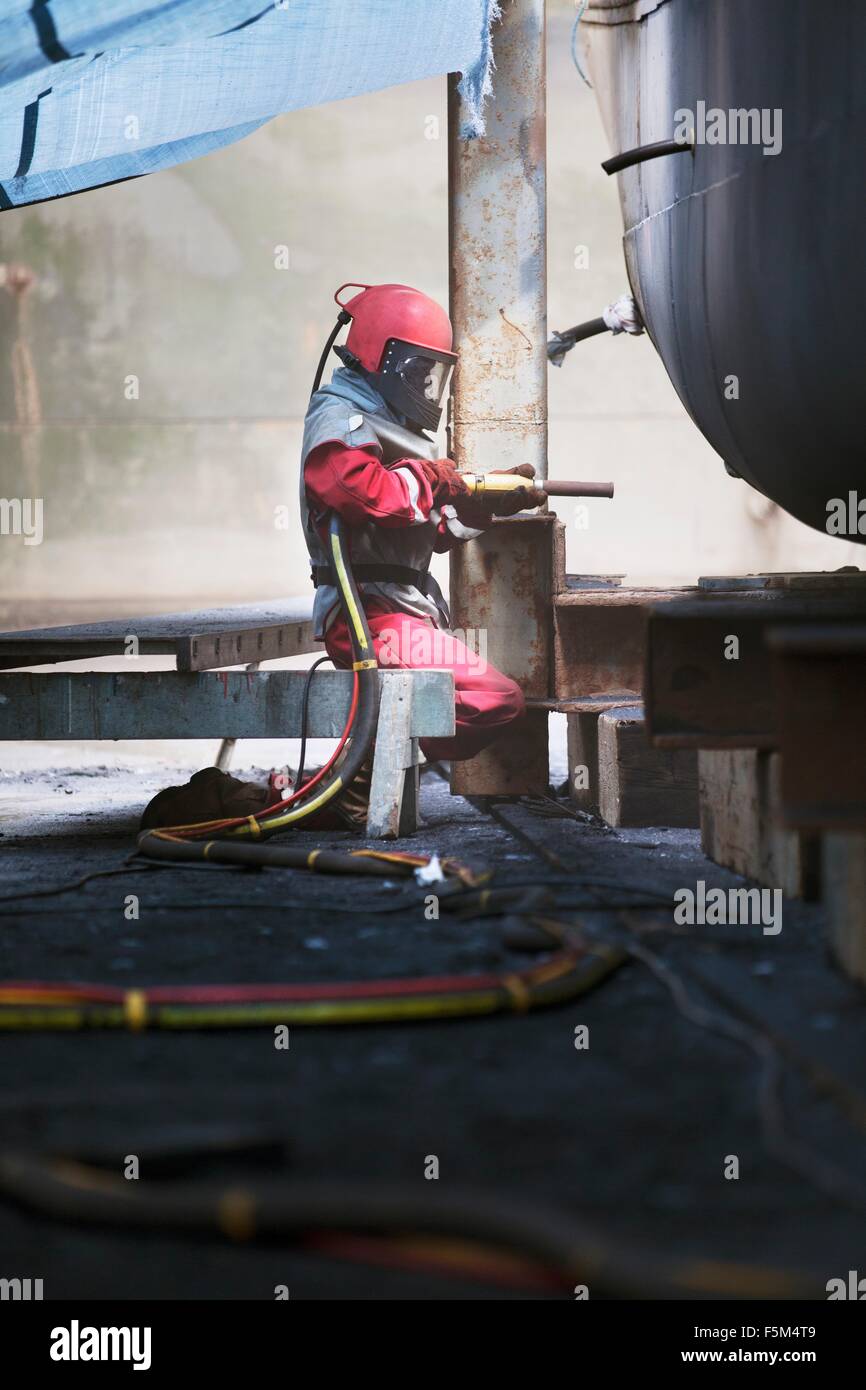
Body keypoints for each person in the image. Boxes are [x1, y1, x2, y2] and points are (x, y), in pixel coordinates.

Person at [299, 281, 544, 827]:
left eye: (430, 372)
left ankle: (360, 768)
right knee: (494, 699)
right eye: (416, 370)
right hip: (366, 618)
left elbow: (424, 534)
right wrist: (435, 478)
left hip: (397, 610)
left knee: (494, 699)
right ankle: (357, 775)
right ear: (382, 359)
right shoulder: (340, 419)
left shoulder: (391, 432)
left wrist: (482, 504)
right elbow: (362, 493)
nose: (424, 385)